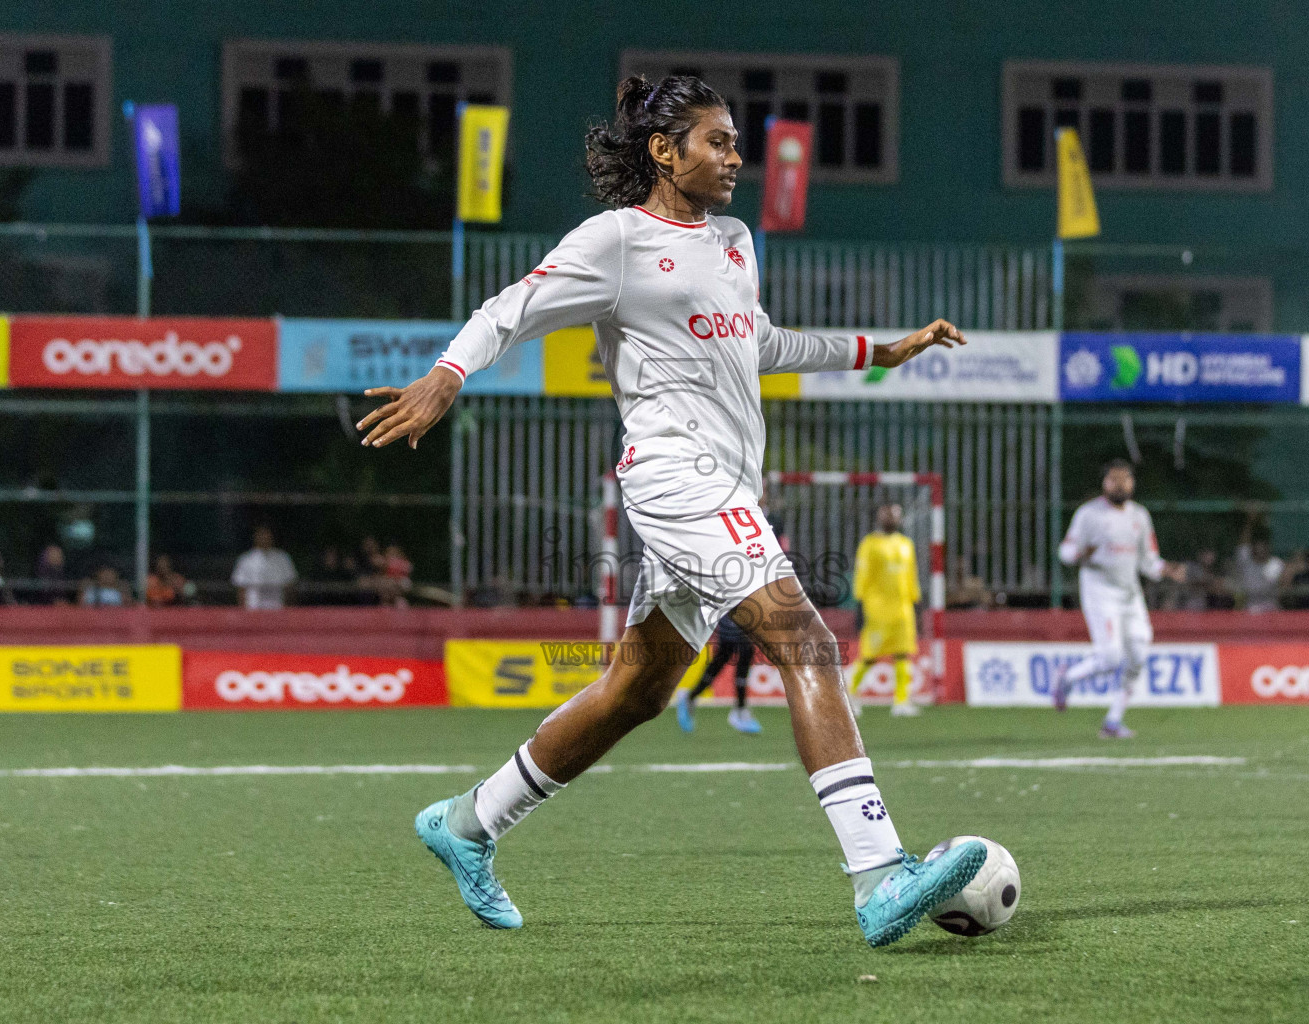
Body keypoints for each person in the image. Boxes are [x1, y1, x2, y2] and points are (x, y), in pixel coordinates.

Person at [356, 74, 984, 948]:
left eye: (735, 142)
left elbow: (761, 342)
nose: (736, 158)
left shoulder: (731, 239)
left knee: (636, 691)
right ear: (664, 150)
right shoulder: (616, 241)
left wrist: (886, 348)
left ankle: (468, 821)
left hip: (725, 482)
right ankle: (881, 874)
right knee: (805, 639)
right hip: (674, 477)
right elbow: (510, 309)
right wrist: (445, 375)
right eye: (718, 142)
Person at [1053, 460, 1186, 739]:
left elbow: (1147, 560)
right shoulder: (1089, 515)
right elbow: (1065, 552)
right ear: (1104, 483)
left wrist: (1166, 569)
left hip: (1130, 594)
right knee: (1111, 657)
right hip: (1100, 593)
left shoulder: (1139, 515)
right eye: (1114, 480)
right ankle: (1066, 678)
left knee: (1138, 654)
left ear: (1132, 483)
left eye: (1125, 480)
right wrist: (1080, 554)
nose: (1120, 485)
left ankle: (1113, 721)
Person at [846, 503, 923, 718]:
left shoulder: (906, 544)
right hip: (877, 609)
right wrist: (860, 604)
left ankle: (901, 702)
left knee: (902, 653)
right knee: (869, 655)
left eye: (895, 514)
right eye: (887, 514)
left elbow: (911, 576)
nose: (891, 518)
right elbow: (862, 575)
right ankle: (849, 696)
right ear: (880, 517)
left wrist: (916, 604)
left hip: (903, 608)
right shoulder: (870, 544)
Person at [675, 613, 761, 734]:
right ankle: (740, 712)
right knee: (741, 650)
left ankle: (690, 697)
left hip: (738, 611)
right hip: (731, 610)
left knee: (726, 656)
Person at [230, 526, 297, 610]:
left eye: (266, 535)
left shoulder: (282, 558)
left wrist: (288, 609)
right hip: (253, 607)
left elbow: (290, 584)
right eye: (261, 535)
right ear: (256, 537)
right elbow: (241, 587)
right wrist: (243, 610)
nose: (264, 538)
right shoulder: (246, 559)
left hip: (277, 606)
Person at [1233, 511, 1284, 613]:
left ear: (1268, 548)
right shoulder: (1246, 562)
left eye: (1263, 547)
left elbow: (1285, 581)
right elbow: (1243, 544)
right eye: (1258, 547)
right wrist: (1250, 520)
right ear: (1253, 548)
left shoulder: (1276, 564)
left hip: (1270, 607)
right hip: (1249, 607)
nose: (1261, 550)